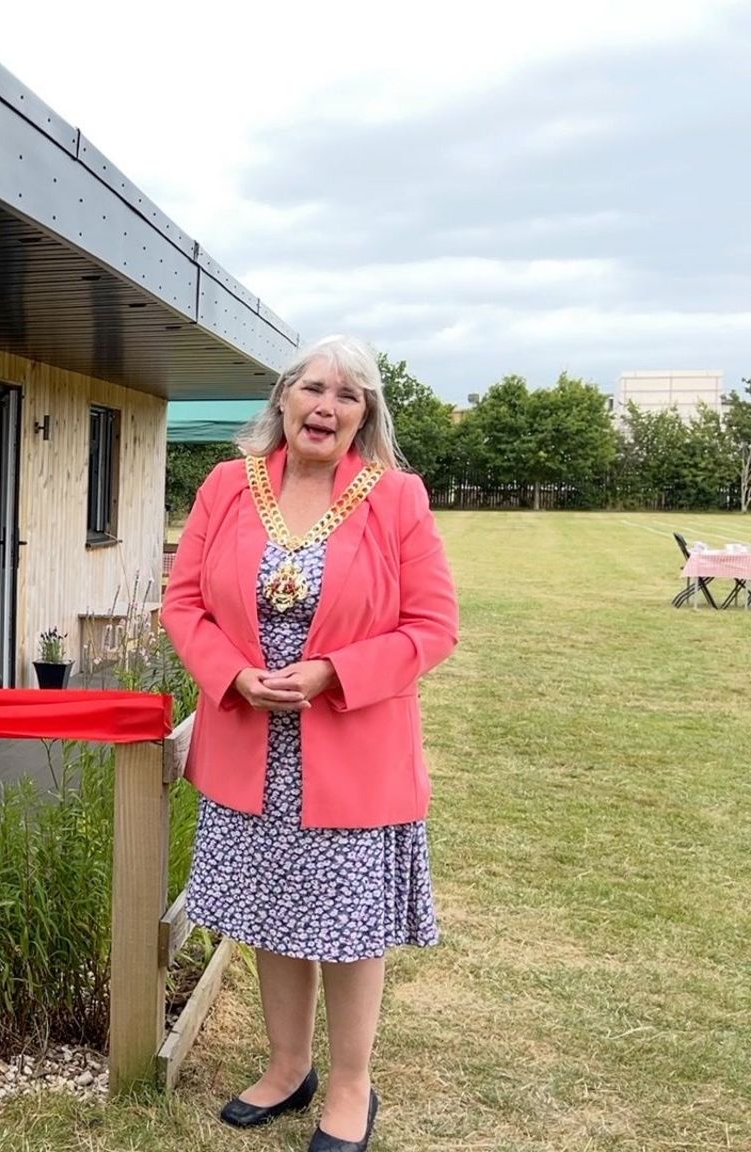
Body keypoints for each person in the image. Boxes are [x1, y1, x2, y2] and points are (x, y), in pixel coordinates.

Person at [162, 335, 459, 1152]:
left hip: (351, 750)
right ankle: (288, 1067)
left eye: (349, 395)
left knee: (348, 928)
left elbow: (434, 627)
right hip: (249, 744)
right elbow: (184, 604)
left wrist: (334, 671)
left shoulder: (395, 498)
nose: (327, 405)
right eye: (314, 388)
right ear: (284, 399)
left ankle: (352, 1087)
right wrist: (232, 675)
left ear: (365, 416)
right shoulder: (227, 486)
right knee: (270, 914)